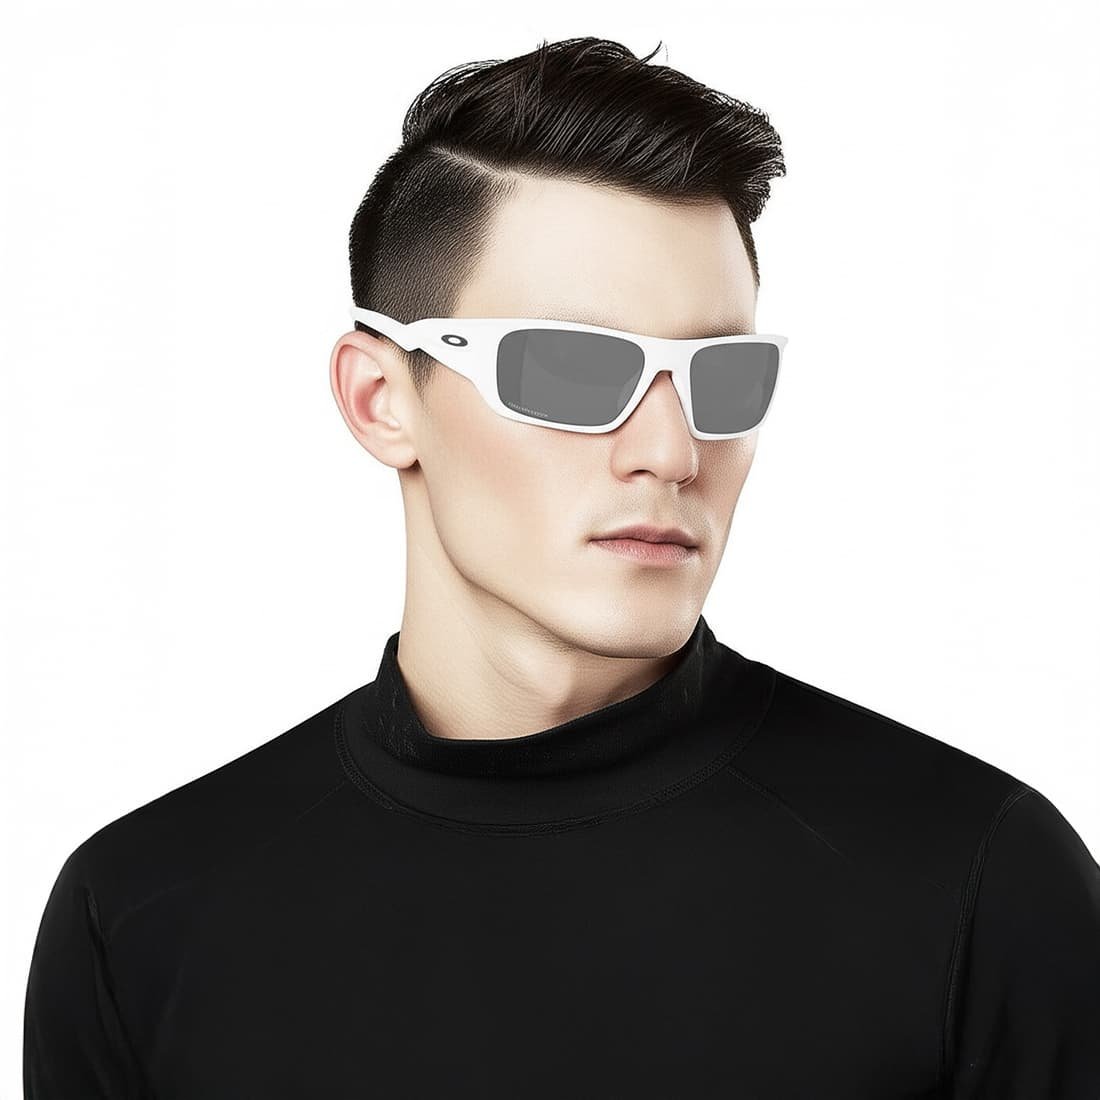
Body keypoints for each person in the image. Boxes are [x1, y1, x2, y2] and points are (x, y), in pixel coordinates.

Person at [23, 35, 1100, 1099]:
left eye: (723, 376)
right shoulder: (141, 917)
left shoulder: (979, 882)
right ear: (380, 398)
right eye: (572, 368)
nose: (671, 451)